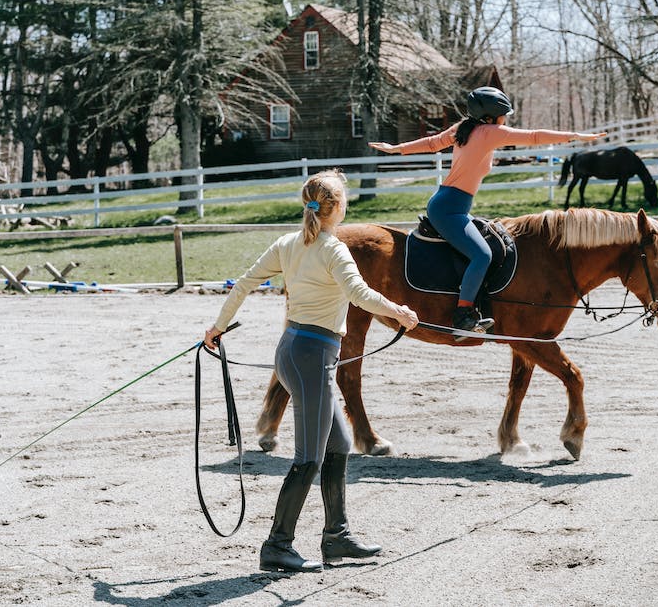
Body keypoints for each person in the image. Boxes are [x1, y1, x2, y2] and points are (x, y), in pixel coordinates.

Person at [204, 169, 419, 573]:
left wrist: (217, 327)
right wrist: (400, 312)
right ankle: (277, 545)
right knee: (308, 458)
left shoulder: (287, 244)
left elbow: (244, 284)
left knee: (337, 444)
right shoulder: (332, 249)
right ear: (335, 207)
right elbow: (359, 294)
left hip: (294, 353)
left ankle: (336, 536)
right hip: (311, 357)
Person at [370, 86, 605, 335]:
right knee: (482, 256)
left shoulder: (464, 128)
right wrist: (575, 136)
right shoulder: (490, 133)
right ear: (492, 117)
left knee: (487, 242)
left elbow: (432, 143)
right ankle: (463, 315)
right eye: (504, 114)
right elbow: (535, 136)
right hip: (449, 209)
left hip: (449, 204)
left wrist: (398, 148)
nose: (506, 119)